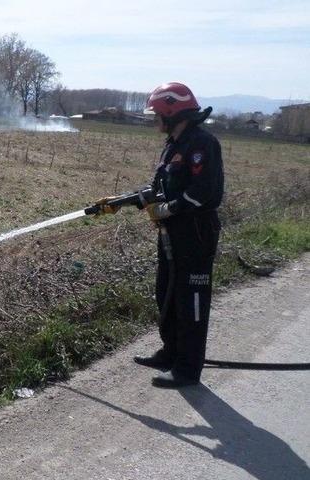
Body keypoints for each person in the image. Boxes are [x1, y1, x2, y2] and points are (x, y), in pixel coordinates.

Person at [101, 82, 224, 388]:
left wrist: (167, 209)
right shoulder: (173, 144)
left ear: (173, 112)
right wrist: (122, 203)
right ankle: (170, 353)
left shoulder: (201, 144)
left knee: (190, 299)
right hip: (172, 234)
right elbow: (159, 189)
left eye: (157, 114)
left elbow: (204, 192)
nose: (153, 119)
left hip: (195, 234)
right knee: (166, 292)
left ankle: (187, 369)